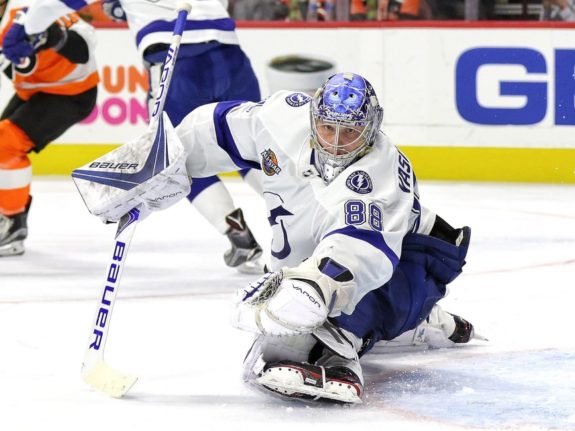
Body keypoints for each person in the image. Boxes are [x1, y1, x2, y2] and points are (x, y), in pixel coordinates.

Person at [71, 72, 480, 403]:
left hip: (414, 258)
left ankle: (363, 333)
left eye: (349, 133)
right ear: (313, 117)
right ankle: (397, 325)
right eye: (327, 128)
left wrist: (316, 287)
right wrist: (158, 163)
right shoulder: (284, 118)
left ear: (371, 130)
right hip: (324, 256)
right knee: (291, 321)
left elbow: (362, 251)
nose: (336, 143)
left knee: (322, 317)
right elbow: (215, 129)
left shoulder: (377, 172)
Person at [2, 0, 265, 272]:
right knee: (251, 148)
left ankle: (238, 235)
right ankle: (297, 220)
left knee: (178, 157)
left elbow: (56, 5)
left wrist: (24, 25)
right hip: (231, 56)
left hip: (176, 59)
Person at [0, 4, 99, 257]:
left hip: (71, 94)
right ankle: (11, 218)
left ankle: (11, 223)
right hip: (34, 92)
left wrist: (53, 37)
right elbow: (15, 67)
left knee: (6, 145)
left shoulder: (37, 9)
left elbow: (84, 48)